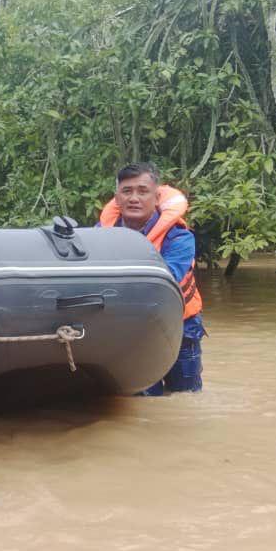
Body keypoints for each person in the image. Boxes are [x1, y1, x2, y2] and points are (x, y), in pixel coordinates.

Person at [98, 162, 204, 395]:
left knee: (186, 396)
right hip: (129, 328)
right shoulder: (100, 233)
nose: (134, 198)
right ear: (117, 198)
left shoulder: (179, 237)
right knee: (143, 399)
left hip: (179, 326)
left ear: (156, 198)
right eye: (127, 191)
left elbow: (165, 281)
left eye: (142, 191)